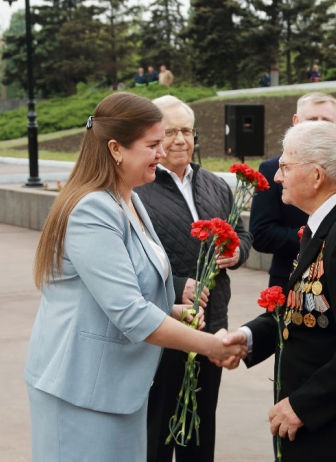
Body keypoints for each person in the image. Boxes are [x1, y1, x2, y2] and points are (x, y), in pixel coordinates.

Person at [24, 92, 245, 462]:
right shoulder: (92, 209)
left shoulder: (128, 198)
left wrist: (172, 310)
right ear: (116, 149)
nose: (163, 153)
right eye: (153, 144)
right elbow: (128, 311)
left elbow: (134, 290)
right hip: (81, 391)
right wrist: (209, 345)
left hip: (117, 388)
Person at [218, 120, 336, 461]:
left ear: (317, 176)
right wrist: (249, 338)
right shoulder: (329, 223)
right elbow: (307, 308)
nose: (277, 178)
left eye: (285, 167)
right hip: (324, 420)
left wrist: (303, 405)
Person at [136, 95, 252, 462]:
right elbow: (127, 264)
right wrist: (175, 286)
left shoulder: (215, 184)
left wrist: (238, 253)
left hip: (211, 325)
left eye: (186, 131)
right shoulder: (138, 189)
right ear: (154, 136)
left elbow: (242, 233)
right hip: (163, 329)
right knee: (157, 428)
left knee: (200, 426)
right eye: (169, 132)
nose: (180, 140)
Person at [249, 92, 336, 293]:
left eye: (326, 120)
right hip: (291, 281)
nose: (318, 126)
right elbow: (261, 233)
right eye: (311, 120)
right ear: (295, 121)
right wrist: (318, 239)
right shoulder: (274, 168)